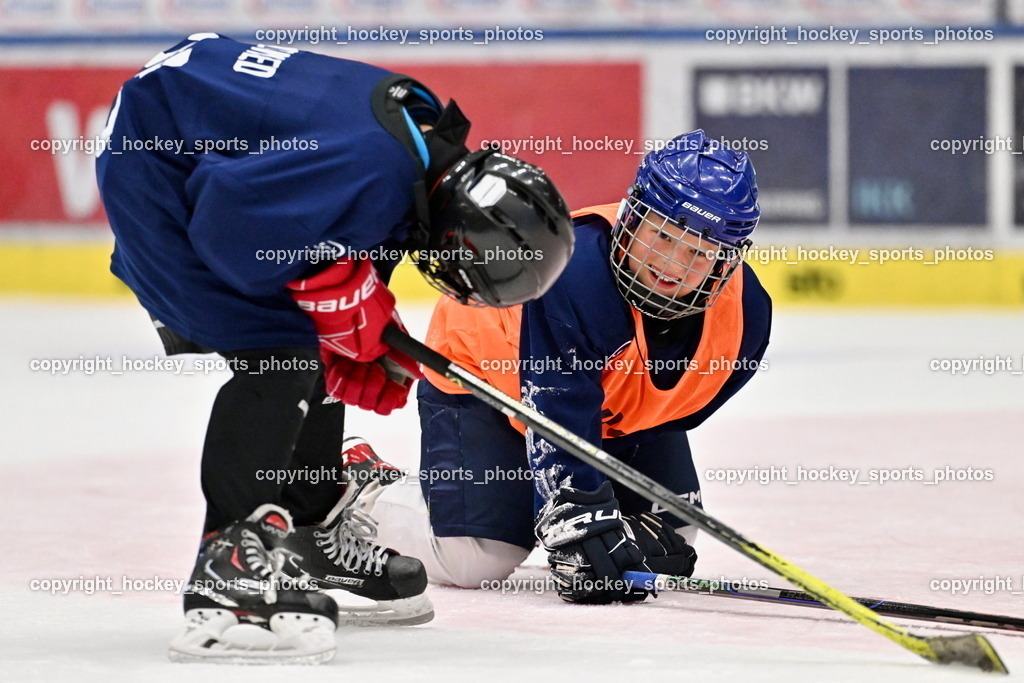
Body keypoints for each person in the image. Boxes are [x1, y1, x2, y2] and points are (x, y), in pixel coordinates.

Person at [95, 33, 573, 663]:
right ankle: (228, 572)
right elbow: (227, 225)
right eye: (467, 267)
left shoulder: (424, 150)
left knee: (316, 338)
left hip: (181, 129)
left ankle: (311, 528)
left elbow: (338, 226)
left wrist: (358, 316)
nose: (456, 278)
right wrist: (335, 293)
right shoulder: (372, 166)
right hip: (153, 167)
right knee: (282, 352)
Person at [346, 130, 772, 605]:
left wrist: (610, 526)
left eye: (699, 251)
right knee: (478, 556)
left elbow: (668, 413)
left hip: (604, 408)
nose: (672, 264)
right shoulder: (576, 277)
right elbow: (556, 412)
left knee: (672, 535)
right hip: (489, 374)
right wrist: (577, 518)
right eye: (664, 236)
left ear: (727, 261)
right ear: (633, 216)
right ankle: (366, 490)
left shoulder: (745, 317)